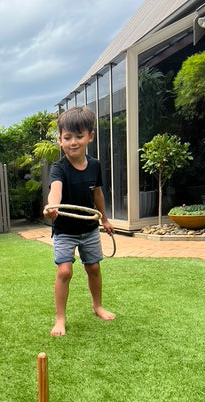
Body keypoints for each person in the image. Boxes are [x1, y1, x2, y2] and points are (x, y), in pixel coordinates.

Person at [44, 106, 115, 337]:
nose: (73, 142)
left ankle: (97, 306)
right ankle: (60, 318)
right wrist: (52, 206)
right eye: (67, 137)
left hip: (89, 228)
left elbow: (97, 195)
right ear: (60, 140)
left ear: (89, 137)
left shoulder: (94, 166)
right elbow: (55, 189)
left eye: (79, 136)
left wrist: (104, 219)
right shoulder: (59, 168)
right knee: (64, 271)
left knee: (93, 267)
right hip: (64, 229)